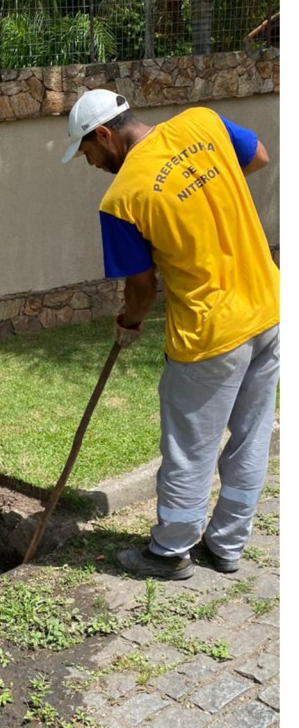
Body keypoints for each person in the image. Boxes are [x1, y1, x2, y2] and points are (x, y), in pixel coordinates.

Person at [62, 88, 279, 580]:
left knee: (189, 445)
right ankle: (226, 546)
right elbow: (260, 156)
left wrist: (129, 324)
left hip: (210, 333)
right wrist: (204, 196)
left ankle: (169, 551)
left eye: (88, 152)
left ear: (104, 134)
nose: (91, 163)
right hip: (269, 306)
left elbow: (142, 287)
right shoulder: (201, 122)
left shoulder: (121, 199)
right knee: (251, 434)